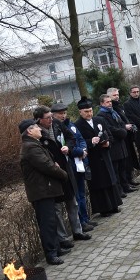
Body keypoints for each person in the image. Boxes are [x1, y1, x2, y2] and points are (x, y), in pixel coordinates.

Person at [33, 106, 92, 250]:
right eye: (48, 118)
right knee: (57, 208)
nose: (51, 120)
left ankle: (77, 231)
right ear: (39, 120)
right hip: (52, 173)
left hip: (66, 168)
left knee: (72, 201)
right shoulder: (36, 133)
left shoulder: (58, 124)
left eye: (51, 117)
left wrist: (69, 148)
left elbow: (71, 137)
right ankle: (63, 238)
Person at [19, 118, 68, 266]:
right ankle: (51, 254)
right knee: (47, 223)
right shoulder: (30, 147)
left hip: (45, 189)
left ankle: (56, 248)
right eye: (36, 127)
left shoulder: (34, 145)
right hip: (41, 192)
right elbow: (47, 166)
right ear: (29, 131)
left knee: (51, 221)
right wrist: (62, 173)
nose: (40, 129)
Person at [73, 97, 123, 217]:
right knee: (99, 183)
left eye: (90, 111)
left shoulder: (99, 120)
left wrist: (108, 143)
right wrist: (90, 142)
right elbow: (78, 142)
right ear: (80, 112)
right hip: (93, 158)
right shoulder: (77, 125)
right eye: (86, 112)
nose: (89, 113)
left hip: (104, 155)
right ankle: (104, 209)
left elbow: (109, 135)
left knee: (110, 179)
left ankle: (114, 205)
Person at [51, 103, 98, 228]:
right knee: (76, 196)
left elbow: (80, 139)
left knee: (82, 194)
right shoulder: (55, 129)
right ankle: (81, 222)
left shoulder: (70, 125)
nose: (63, 115)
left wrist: (83, 149)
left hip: (80, 163)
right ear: (53, 115)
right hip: (70, 164)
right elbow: (63, 146)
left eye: (64, 113)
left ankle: (85, 218)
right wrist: (79, 152)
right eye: (60, 114)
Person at [96, 94, 136, 194]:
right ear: (102, 103)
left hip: (121, 144)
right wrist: (123, 131)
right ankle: (119, 190)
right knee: (116, 170)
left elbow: (121, 123)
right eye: (107, 102)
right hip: (114, 146)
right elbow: (110, 128)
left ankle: (125, 186)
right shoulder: (101, 115)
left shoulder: (113, 112)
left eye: (110, 101)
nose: (110, 104)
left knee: (123, 167)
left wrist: (123, 129)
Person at [108, 88, 140, 188]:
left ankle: (129, 179)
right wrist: (124, 127)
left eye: (117, 94)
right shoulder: (112, 109)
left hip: (126, 137)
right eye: (114, 95)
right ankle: (125, 182)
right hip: (120, 139)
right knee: (124, 163)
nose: (117, 97)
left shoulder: (119, 106)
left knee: (129, 160)